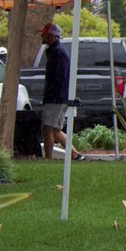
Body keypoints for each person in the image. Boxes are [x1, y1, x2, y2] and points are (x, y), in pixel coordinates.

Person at [38, 21, 81, 160]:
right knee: (55, 130)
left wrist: (52, 95)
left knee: (48, 129)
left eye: (45, 34)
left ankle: (48, 159)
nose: (42, 36)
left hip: (56, 98)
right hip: (56, 97)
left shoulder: (58, 53)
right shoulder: (54, 52)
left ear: (53, 36)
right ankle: (75, 154)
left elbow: (59, 78)